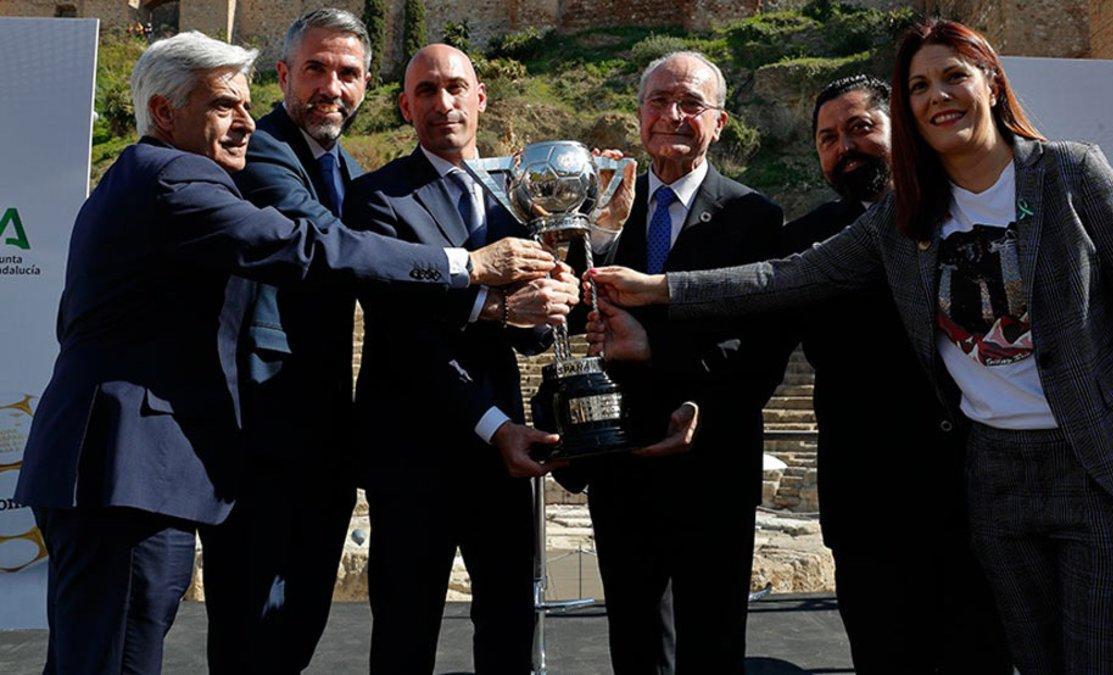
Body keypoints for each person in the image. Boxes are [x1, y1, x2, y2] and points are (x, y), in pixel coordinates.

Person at [589, 19, 1113, 673]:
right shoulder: (900, 216)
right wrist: (656, 291)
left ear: (991, 83)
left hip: (1094, 475)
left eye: (953, 76)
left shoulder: (1072, 175)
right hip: (988, 487)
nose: (939, 96)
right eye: (920, 86)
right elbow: (784, 279)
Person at [13, 31, 557, 675]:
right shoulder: (175, 176)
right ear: (164, 113)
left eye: (245, 105)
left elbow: (73, 317)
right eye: (224, 106)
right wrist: (467, 267)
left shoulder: (162, 177)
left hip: (150, 468)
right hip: (129, 469)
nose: (246, 122)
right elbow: (311, 248)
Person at [343, 44, 583, 674]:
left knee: (508, 619)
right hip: (413, 451)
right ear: (404, 107)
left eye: (456, 88)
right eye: (425, 91)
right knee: (405, 625)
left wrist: (555, 298)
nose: (442, 103)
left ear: (480, 98)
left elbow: (533, 336)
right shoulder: (376, 197)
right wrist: (497, 314)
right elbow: (402, 328)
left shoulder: (525, 197)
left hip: (504, 450)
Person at [571, 51, 791, 673]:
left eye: (691, 104)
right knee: (636, 645)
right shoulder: (606, 210)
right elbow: (573, 320)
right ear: (639, 116)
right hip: (622, 461)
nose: (673, 115)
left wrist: (661, 355)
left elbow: (764, 349)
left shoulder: (756, 216)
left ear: (718, 123)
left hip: (712, 459)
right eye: (659, 102)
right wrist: (602, 236)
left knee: (713, 642)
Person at [783, 74, 1009, 672]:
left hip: (974, 497)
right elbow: (749, 335)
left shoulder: (968, 217)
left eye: (861, 127)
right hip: (868, 509)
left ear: (899, 129)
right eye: (828, 138)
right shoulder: (804, 243)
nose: (845, 147)